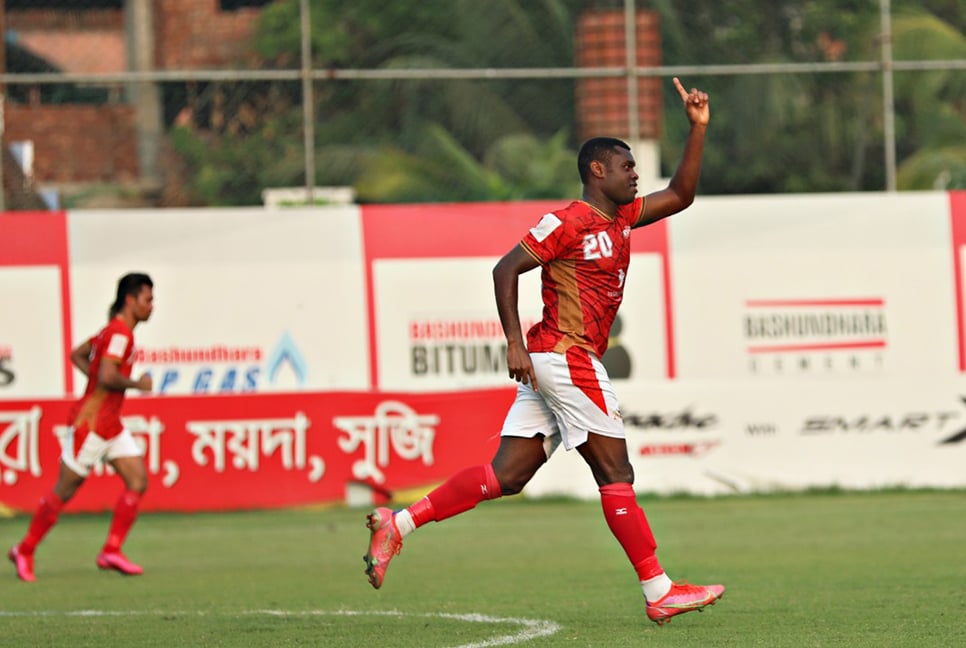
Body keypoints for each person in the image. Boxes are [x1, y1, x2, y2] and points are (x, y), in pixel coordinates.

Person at [363, 78, 724, 626]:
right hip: (565, 356)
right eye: (626, 166)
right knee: (616, 470)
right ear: (597, 170)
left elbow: (681, 194)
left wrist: (696, 129)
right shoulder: (566, 221)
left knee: (506, 476)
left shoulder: (622, 217)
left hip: (559, 361)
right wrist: (514, 342)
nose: (635, 175)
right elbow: (504, 269)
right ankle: (659, 589)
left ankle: (400, 524)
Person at [8, 273, 155, 581]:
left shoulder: (109, 331)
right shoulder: (120, 334)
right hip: (90, 425)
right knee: (65, 489)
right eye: (147, 299)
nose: (151, 306)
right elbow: (107, 376)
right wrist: (136, 384)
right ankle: (25, 549)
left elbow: (78, 355)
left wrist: (97, 381)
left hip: (110, 424)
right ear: (130, 300)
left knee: (137, 480)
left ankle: (111, 550)